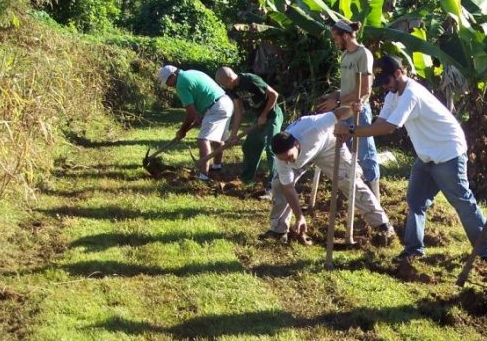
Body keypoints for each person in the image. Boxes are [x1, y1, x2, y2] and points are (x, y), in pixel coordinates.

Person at [334, 55, 487, 268]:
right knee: (415, 201)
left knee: (462, 202)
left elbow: (389, 128)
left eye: (387, 82)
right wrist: (354, 129)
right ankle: (414, 250)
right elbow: (380, 123)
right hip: (426, 156)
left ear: (399, 73)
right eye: (382, 84)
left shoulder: (411, 94)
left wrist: (351, 130)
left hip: (448, 152)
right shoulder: (393, 95)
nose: (386, 88)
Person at [260, 106, 395, 245]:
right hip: (304, 156)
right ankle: (279, 230)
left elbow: (339, 113)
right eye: (284, 160)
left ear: (295, 143)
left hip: (327, 146)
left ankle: (382, 225)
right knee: (279, 185)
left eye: (289, 157)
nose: (287, 161)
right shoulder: (282, 159)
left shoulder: (315, 126)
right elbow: (288, 188)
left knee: (350, 181)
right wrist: (299, 216)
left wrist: (353, 108)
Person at [316, 19, 381, 200]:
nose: (335, 41)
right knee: (345, 153)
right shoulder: (345, 56)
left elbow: (365, 89)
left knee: (365, 153)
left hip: (358, 111)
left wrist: (336, 103)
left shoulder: (363, 54)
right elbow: (347, 88)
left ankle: (374, 196)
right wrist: (334, 96)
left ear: (345, 35)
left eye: (336, 37)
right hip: (343, 112)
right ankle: (354, 194)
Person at [214, 66, 284, 198]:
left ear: (230, 78)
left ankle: (273, 187)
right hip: (259, 119)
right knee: (249, 146)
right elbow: (239, 112)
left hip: (273, 115)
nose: (225, 87)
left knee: (272, 148)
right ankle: (246, 179)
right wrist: (233, 135)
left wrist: (264, 115)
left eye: (224, 84)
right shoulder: (233, 89)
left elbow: (274, 94)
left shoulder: (250, 80)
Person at [158, 65, 233, 181]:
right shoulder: (191, 72)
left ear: (173, 75)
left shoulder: (181, 85)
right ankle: (217, 167)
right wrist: (199, 115)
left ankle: (203, 175)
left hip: (216, 108)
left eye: (168, 82)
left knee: (203, 140)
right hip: (226, 102)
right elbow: (201, 94)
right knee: (218, 139)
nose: (168, 85)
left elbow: (190, 114)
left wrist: (182, 130)